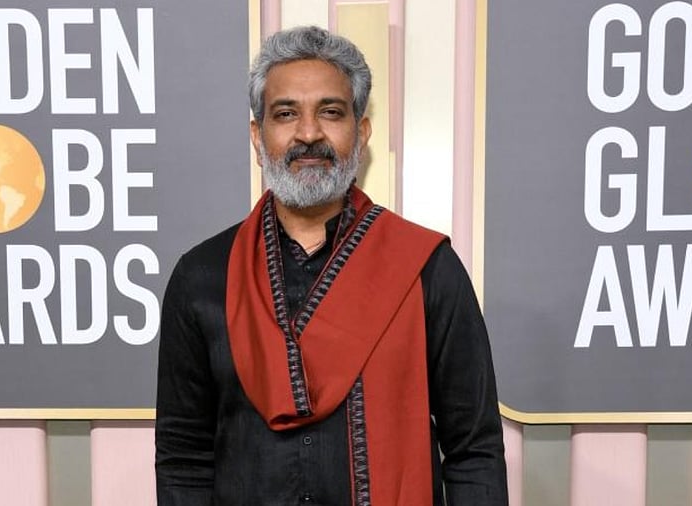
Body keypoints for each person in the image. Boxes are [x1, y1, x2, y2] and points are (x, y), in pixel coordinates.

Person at [155, 25, 507, 505]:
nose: (308, 133)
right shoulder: (202, 277)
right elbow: (184, 458)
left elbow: (473, 451)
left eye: (331, 112)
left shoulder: (426, 270)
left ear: (360, 132)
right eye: (285, 114)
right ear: (258, 136)